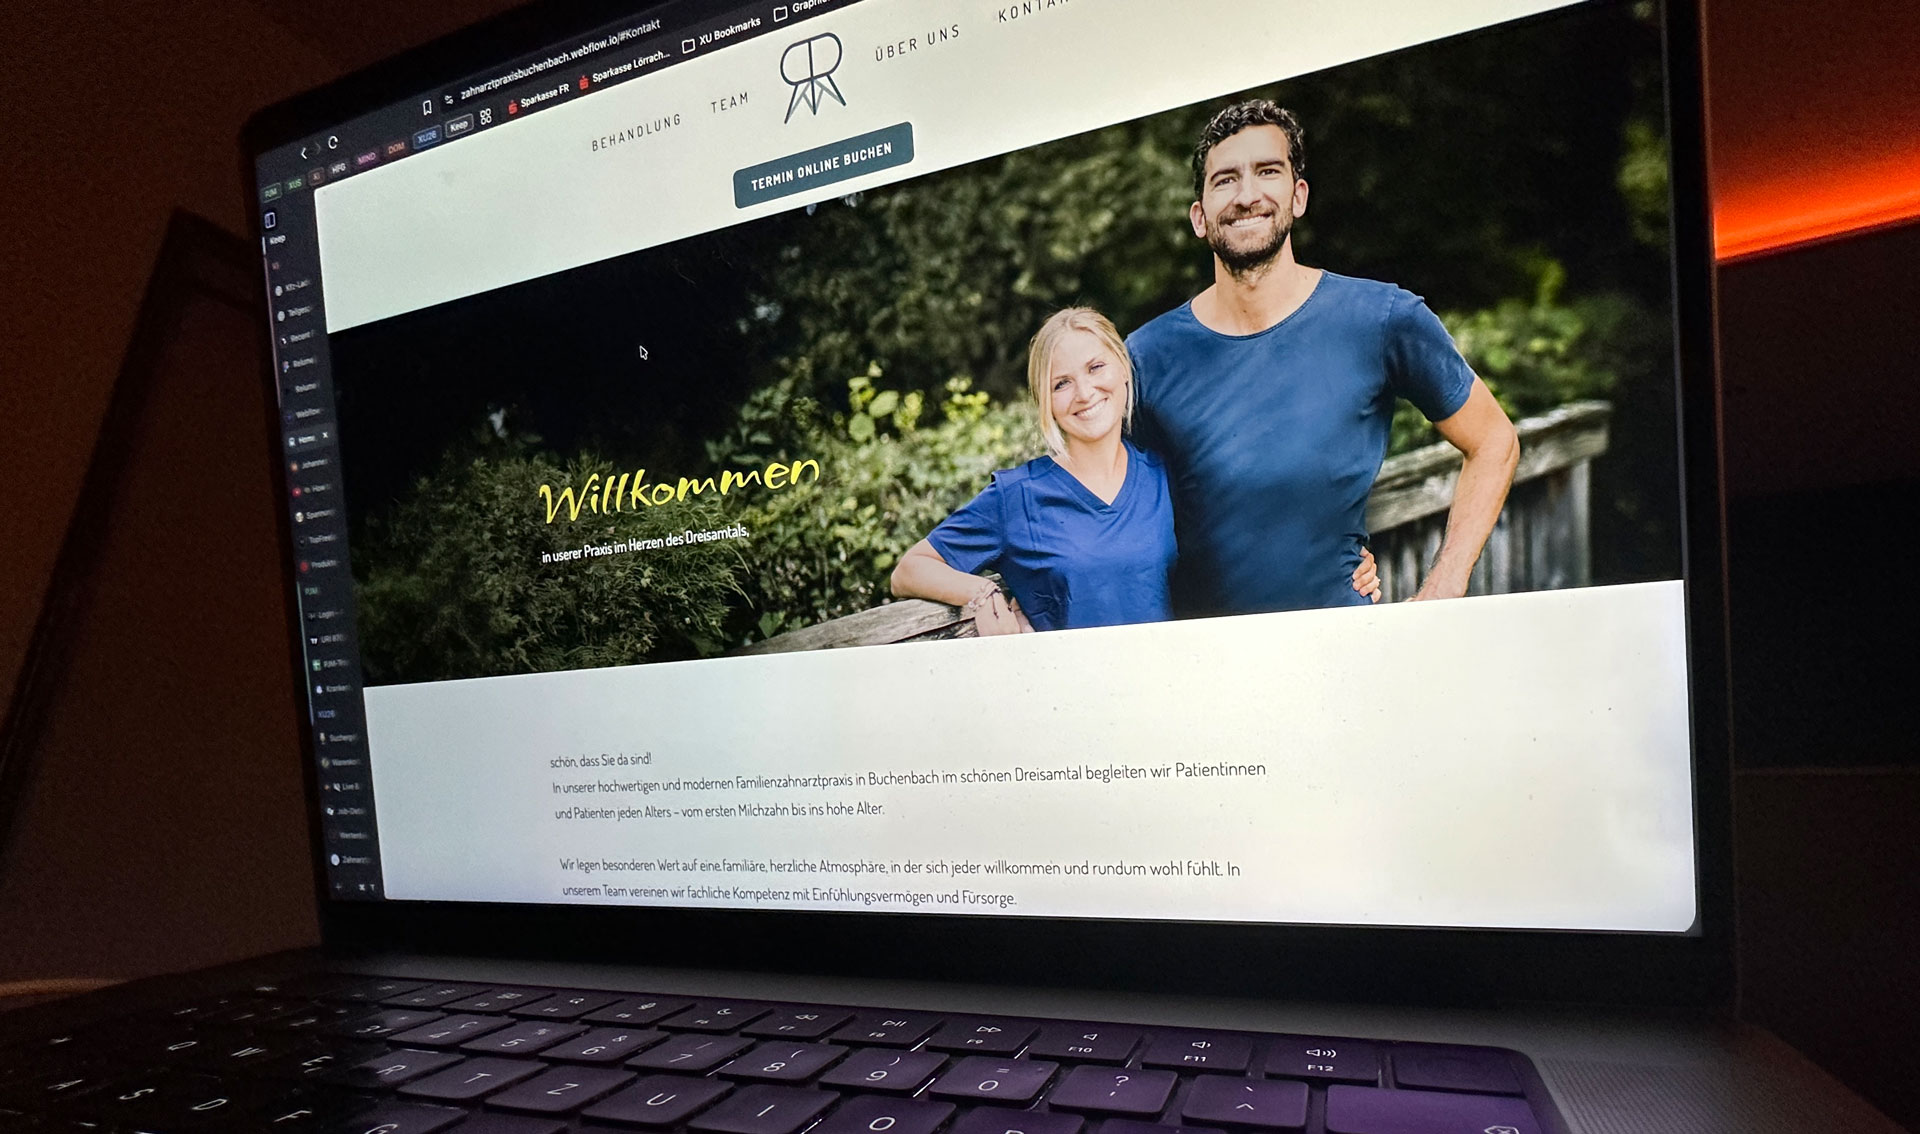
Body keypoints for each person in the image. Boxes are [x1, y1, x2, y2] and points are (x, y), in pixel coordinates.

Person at [1127, 100, 1520, 617]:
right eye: (1225, 180)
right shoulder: (1143, 358)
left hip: (1342, 653)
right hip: (1205, 668)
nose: (1247, 195)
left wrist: (1441, 593)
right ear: (1199, 217)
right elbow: (1105, 511)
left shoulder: (1383, 319)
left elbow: (1494, 440)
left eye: (1267, 172)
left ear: (1299, 195)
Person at [891, 308, 1378, 635]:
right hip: (1070, 716)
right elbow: (910, 569)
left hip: (1173, 699)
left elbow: (1250, 537)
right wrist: (983, 594)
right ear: (1046, 403)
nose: (1084, 393)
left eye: (1096, 368)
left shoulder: (1168, 475)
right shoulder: (1016, 496)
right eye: (1062, 383)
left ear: (1123, 370)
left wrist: (1338, 565)